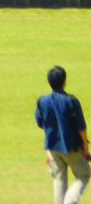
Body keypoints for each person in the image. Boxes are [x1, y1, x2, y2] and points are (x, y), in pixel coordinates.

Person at [37, 65, 90, 204]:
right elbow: (81, 127)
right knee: (84, 174)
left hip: (52, 147)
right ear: (64, 81)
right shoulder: (71, 101)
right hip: (71, 147)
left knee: (59, 179)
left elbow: (40, 123)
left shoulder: (42, 101)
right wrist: (85, 144)